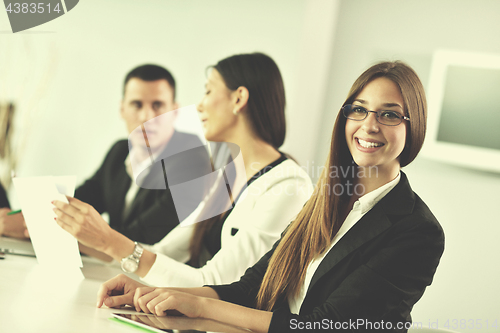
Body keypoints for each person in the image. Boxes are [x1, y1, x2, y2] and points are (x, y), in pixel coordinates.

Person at [95, 61, 445, 333]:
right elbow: (251, 287)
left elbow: (324, 325)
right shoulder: (325, 202)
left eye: (389, 114)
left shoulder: (417, 231)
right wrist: (151, 293)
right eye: (359, 109)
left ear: (413, 127)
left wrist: (198, 306)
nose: (369, 125)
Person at [53, 53, 314, 287]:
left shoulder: (287, 185)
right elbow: (162, 253)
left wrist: (107, 240)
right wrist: (81, 236)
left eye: (208, 91)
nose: (199, 105)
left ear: (239, 98)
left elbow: (216, 283)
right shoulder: (225, 177)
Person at [2, 64, 209, 245]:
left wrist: (36, 227)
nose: (147, 116)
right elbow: (82, 200)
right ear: (122, 109)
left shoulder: (192, 159)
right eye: (137, 104)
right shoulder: (120, 152)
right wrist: (28, 217)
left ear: (175, 111)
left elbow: (144, 237)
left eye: (158, 106)